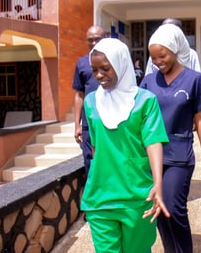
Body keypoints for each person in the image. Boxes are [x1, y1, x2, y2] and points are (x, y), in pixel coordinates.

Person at [81, 37, 171, 252]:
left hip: (137, 197)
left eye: (105, 68)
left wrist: (158, 184)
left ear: (121, 64)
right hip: (99, 198)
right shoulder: (91, 101)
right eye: (94, 70)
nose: (99, 75)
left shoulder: (145, 101)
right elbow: (95, 148)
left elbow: (153, 143)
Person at [140, 24, 201, 253]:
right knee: (159, 209)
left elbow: (200, 118)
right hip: (151, 156)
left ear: (174, 51)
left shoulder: (194, 79)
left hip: (179, 155)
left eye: (162, 55)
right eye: (153, 58)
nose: (157, 61)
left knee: (173, 206)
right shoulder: (148, 82)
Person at [72, 25, 105, 176]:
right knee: (90, 162)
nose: (93, 43)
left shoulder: (114, 60)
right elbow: (79, 94)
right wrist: (77, 125)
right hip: (88, 123)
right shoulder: (82, 63)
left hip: (110, 121)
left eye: (97, 39)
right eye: (90, 40)